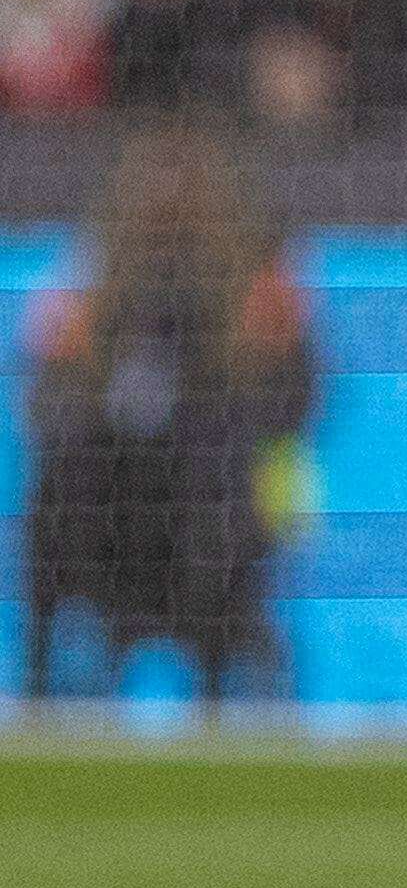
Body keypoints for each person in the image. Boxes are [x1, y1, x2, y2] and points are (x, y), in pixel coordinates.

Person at [20, 123, 319, 708]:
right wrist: (67, 356)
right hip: (125, 499)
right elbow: (48, 404)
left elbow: (293, 405)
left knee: (217, 474)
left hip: (219, 490)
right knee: (67, 480)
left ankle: (215, 681)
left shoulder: (254, 277)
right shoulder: (98, 281)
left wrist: (273, 348)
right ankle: (44, 684)